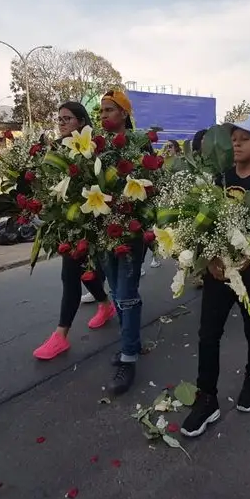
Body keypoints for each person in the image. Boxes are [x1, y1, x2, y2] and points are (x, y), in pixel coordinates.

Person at [182, 115, 250, 437]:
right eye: (233, 138)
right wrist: (212, 259)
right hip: (218, 270)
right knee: (208, 333)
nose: (237, 143)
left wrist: (246, 260)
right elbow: (206, 221)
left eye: (245, 138)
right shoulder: (221, 177)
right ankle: (206, 397)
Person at [33, 103, 118, 360]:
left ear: (81, 122)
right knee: (82, 273)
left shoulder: (95, 147)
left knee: (74, 274)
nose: (61, 123)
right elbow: (47, 182)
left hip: (92, 219)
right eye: (58, 119)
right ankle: (105, 305)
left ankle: (61, 335)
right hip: (67, 224)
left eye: (67, 118)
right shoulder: (56, 149)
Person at [99, 90, 149, 394]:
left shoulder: (138, 142)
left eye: (109, 110)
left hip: (130, 230)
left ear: (124, 114)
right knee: (117, 292)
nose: (104, 116)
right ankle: (131, 342)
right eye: (101, 111)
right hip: (104, 230)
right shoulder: (95, 146)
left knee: (127, 294)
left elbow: (148, 182)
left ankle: (128, 356)